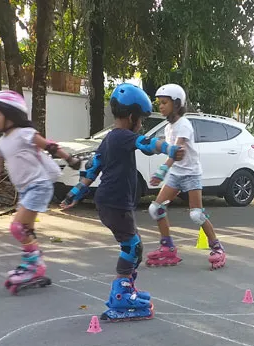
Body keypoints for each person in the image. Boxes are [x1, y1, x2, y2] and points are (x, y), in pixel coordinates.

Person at [59, 83, 184, 321]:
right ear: (131, 117)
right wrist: (169, 149)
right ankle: (121, 296)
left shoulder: (109, 140)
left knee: (134, 246)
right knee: (132, 247)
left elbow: (93, 169)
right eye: (141, 120)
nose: (140, 126)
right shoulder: (124, 136)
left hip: (108, 202)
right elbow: (146, 144)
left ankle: (127, 289)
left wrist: (73, 194)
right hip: (116, 202)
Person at [0, 90, 81, 293]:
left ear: (10, 114)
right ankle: (33, 265)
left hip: (39, 185)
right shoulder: (0, 143)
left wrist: (70, 159)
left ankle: (34, 266)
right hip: (25, 190)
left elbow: (49, 145)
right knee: (26, 230)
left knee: (17, 228)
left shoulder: (24, 134)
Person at [146, 83, 227, 270]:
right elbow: (171, 152)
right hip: (176, 173)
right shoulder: (168, 127)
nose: (160, 106)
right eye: (159, 102)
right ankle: (167, 248)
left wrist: (161, 171)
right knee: (155, 208)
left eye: (164, 102)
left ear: (176, 104)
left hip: (191, 174)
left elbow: (178, 151)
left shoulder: (184, 125)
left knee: (197, 214)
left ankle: (217, 248)